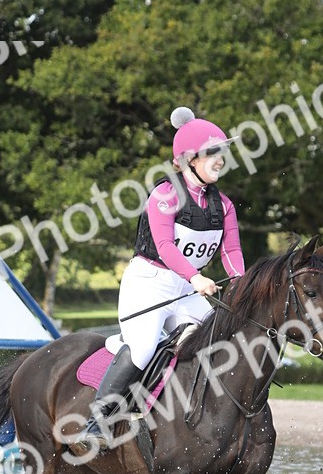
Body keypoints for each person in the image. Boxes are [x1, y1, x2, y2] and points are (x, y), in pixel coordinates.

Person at [74, 106, 246, 451]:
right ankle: (98, 420)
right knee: (143, 348)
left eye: (221, 153)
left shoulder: (224, 205)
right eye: (213, 153)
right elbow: (165, 246)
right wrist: (196, 277)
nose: (220, 160)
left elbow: (231, 254)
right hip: (148, 283)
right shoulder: (165, 195)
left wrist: (242, 283)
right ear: (189, 160)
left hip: (187, 288)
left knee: (217, 340)